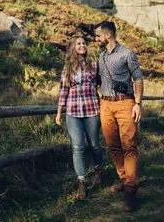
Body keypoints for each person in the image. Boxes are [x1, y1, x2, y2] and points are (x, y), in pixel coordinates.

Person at [95, 21, 144, 212]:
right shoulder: (101, 56)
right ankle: (124, 178)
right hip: (105, 104)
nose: (96, 39)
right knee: (112, 144)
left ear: (108, 35)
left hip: (126, 102)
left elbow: (138, 78)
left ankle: (131, 191)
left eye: (98, 35)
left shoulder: (127, 53)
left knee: (129, 144)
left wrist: (137, 104)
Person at [55, 36, 103, 200]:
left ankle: (98, 170)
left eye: (84, 43)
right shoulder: (68, 67)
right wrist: (59, 112)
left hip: (92, 110)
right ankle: (81, 181)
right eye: (78, 44)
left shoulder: (95, 66)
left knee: (95, 145)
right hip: (73, 111)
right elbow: (63, 91)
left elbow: (102, 84)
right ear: (73, 48)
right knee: (77, 147)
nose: (82, 45)